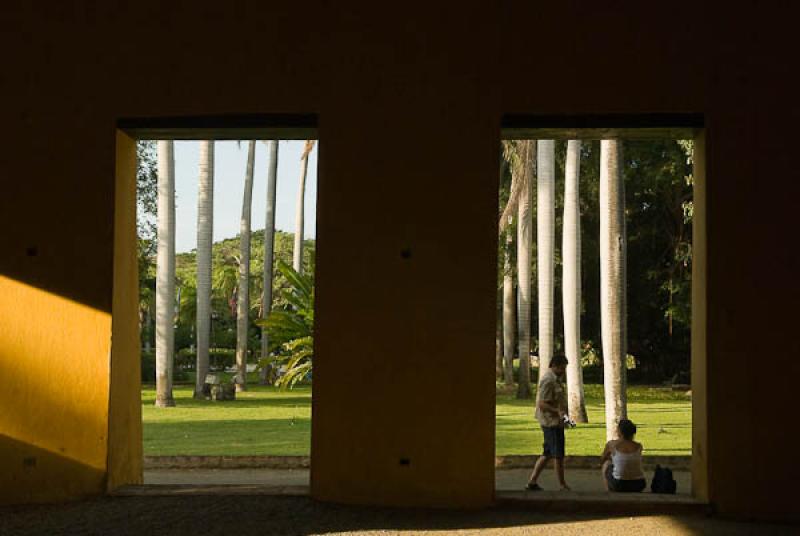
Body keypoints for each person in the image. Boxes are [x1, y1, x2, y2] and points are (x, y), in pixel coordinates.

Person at [525, 354, 571, 491]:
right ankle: (562, 485)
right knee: (558, 454)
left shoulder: (555, 379)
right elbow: (542, 404)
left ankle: (532, 481)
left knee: (548, 453)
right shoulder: (548, 380)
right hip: (551, 423)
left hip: (556, 421)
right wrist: (557, 411)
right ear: (554, 366)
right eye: (562, 368)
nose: (563, 370)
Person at [601, 419, 646, 492]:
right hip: (639, 484)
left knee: (606, 464)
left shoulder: (612, 444)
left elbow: (602, 459)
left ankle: (609, 491)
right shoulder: (639, 446)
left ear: (619, 431)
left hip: (619, 484)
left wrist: (611, 458)